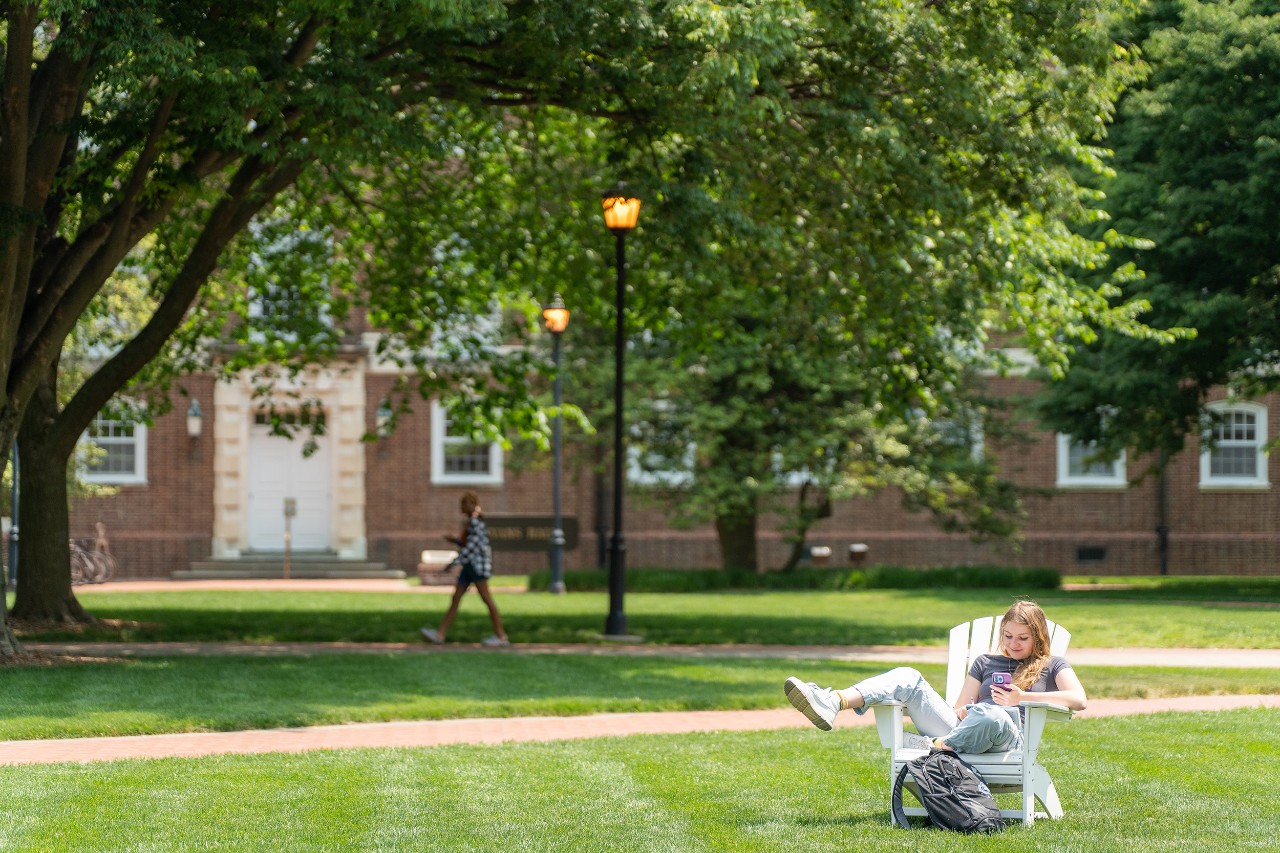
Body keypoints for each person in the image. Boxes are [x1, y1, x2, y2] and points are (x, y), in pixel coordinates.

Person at [783, 599, 1087, 753]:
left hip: (1007, 735)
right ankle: (833, 701)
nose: (1013, 644)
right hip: (964, 728)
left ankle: (931, 745)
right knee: (909, 675)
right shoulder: (985, 662)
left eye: (1022, 638)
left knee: (994, 714)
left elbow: (1079, 699)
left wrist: (1022, 698)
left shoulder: (1052, 664)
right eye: (1008, 636)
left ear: (1038, 636)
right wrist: (964, 711)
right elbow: (959, 707)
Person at [420, 492, 510, 647]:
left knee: (487, 599)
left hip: (476, 567)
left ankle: (501, 636)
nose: (461, 507)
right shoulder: (470, 522)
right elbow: (467, 544)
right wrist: (455, 540)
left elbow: (471, 548)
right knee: (456, 598)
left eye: (464, 503)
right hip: (468, 567)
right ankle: (440, 634)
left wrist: (452, 563)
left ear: (472, 504)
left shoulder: (475, 521)